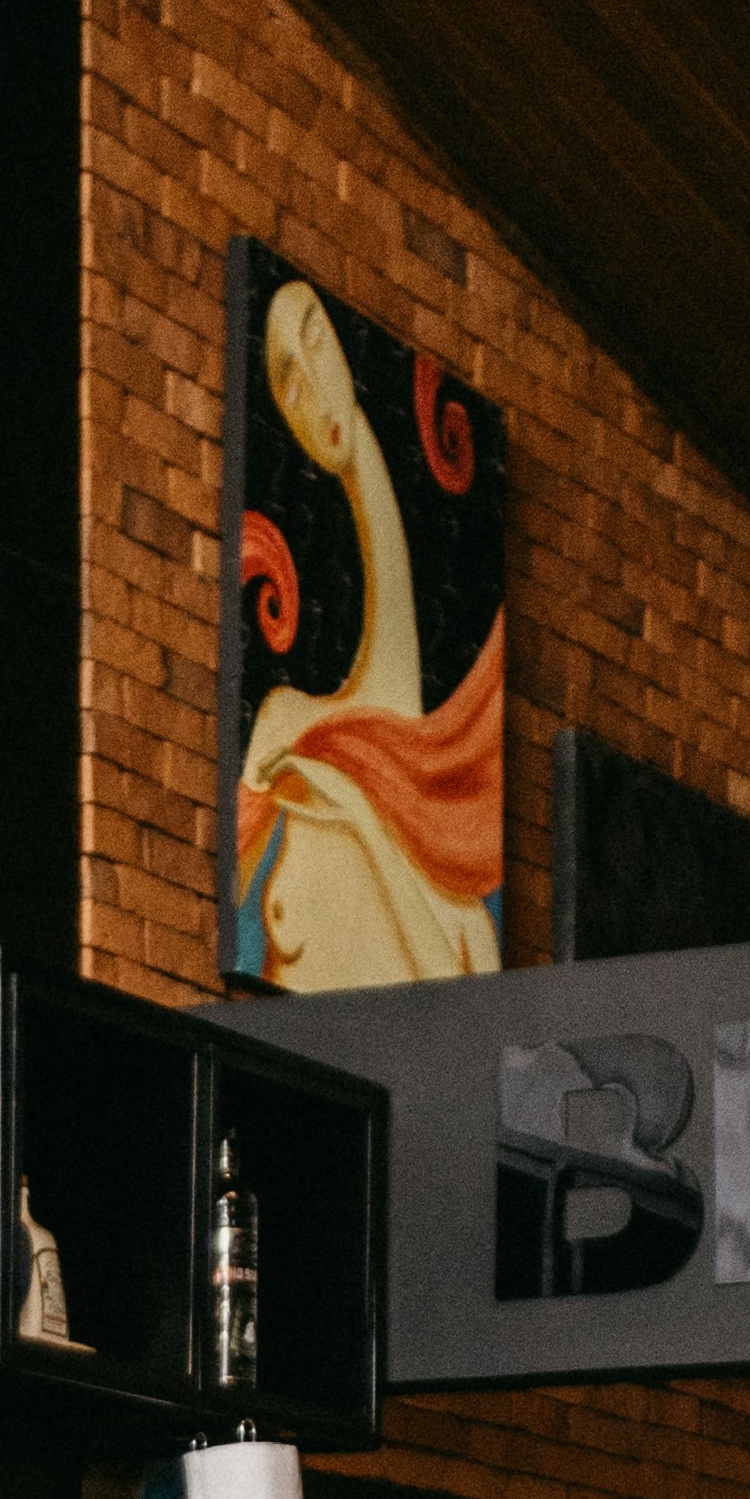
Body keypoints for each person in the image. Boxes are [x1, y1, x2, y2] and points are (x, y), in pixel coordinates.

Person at [227, 275, 508, 993]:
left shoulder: (462, 894)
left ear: (347, 359)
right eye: (288, 380)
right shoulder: (284, 729)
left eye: (316, 341)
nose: (311, 386)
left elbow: (468, 1013)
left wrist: (361, 816)